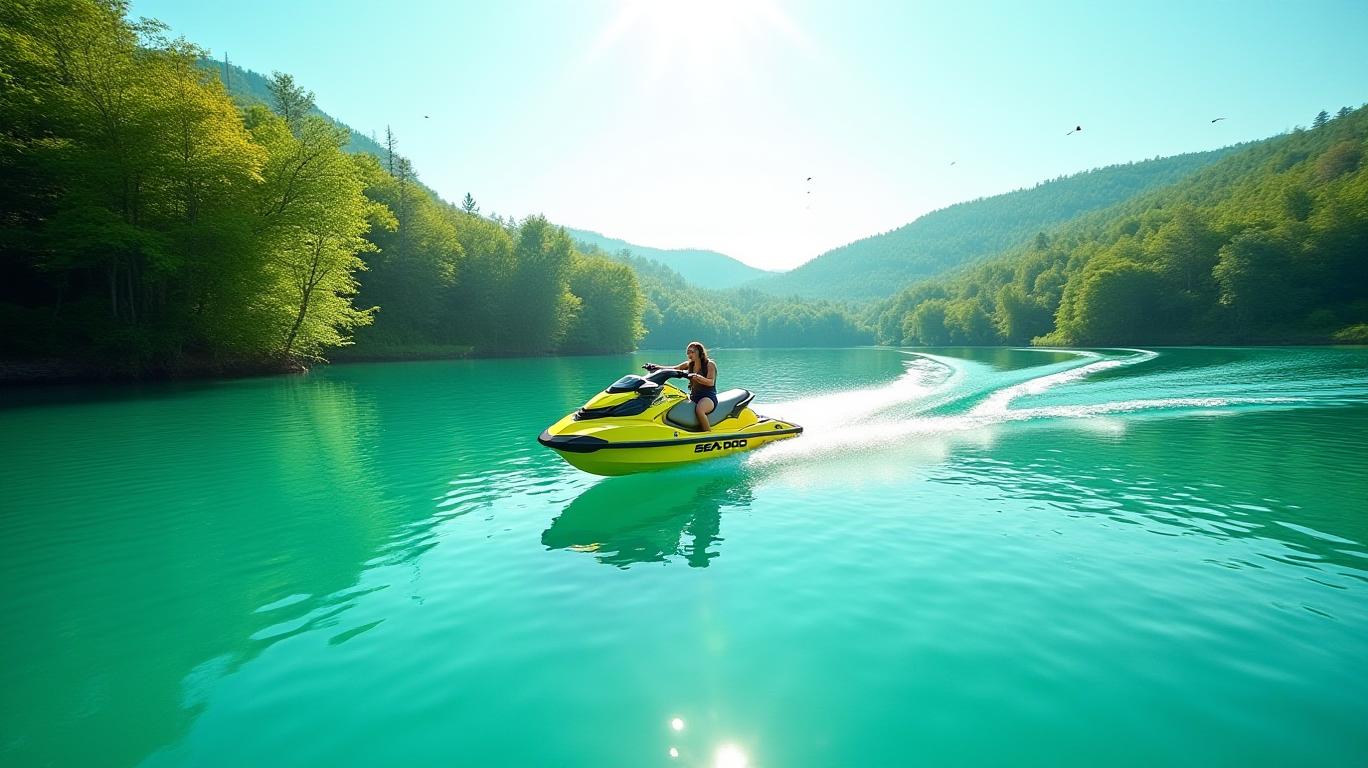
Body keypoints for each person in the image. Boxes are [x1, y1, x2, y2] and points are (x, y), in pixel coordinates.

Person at [644, 341, 718, 431]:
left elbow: (710, 382)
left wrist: (697, 377)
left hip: (708, 397)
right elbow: (674, 368)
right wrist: (656, 367)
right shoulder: (689, 364)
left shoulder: (709, 364)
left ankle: (707, 433)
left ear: (700, 352)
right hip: (694, 396)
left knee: (700, 410)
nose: (689, 355)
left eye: (692, 352)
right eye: (688, 352)